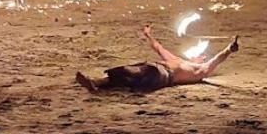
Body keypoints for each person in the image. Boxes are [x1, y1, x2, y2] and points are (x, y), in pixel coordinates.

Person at [76, 24, 239, 92]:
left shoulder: (199, 70)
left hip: (162, 75)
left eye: (201, 56)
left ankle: (99, 82)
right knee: (128, 76)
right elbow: (158, 47)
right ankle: (96, 83)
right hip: (155, 69)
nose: (198, 55)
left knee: (131, 72)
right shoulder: (177, 59)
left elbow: (217, 59)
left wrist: (229, 49)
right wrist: (148, 35)